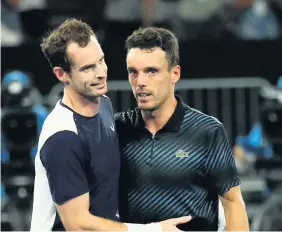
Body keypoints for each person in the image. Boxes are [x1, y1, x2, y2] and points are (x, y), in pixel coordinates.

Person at [30, 18, 191, 231]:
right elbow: (78, 225)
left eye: (101, 60)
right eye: (87, 68)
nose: (100, 73)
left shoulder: (103, 105)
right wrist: (154, 229)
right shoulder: (63, 138)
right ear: (62, 74)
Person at [114, 27, 250, 231]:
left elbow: (232, 203)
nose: (140, 82)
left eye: (151, 71)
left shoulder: (207, 131)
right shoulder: (116, 129)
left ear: (174, 73)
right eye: (133, 72)